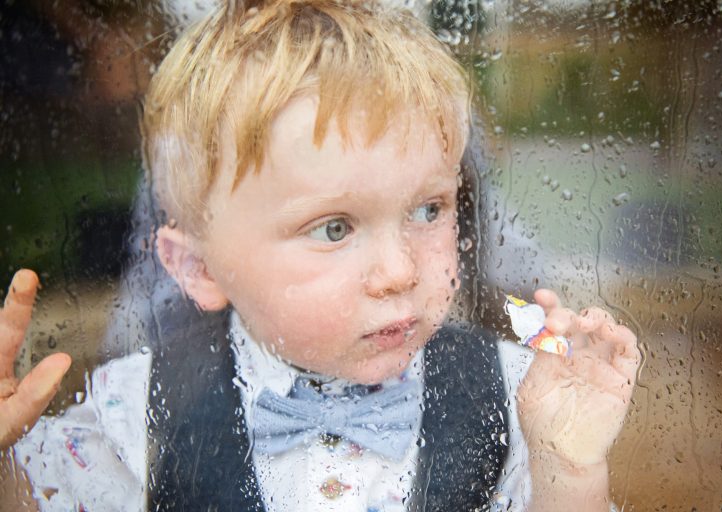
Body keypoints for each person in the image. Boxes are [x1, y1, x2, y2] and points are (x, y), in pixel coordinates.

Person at [0, 0, 640, 510]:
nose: (400, 273)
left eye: (428, 210)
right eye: (334, 228)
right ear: (200, 268)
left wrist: (567, 468)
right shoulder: (136, 408)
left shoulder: (515, 395)